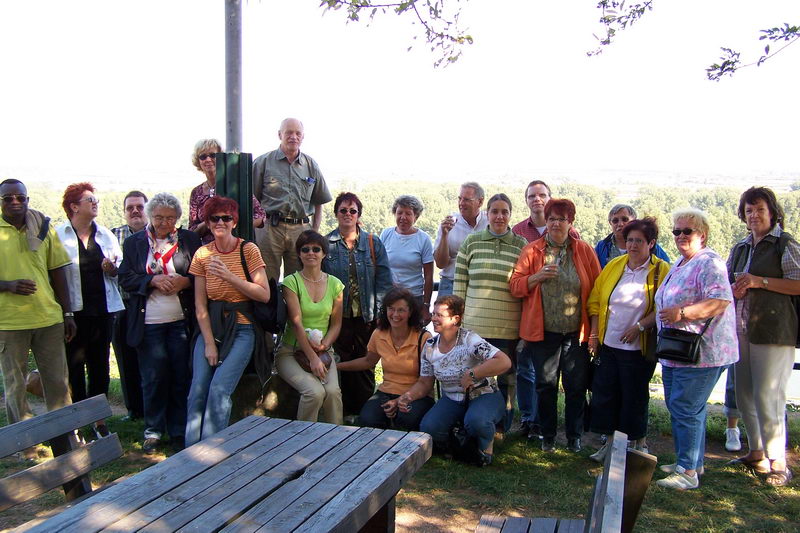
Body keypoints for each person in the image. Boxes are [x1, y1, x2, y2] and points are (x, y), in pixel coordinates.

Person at [654, 208, 737, 490]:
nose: (680, 236)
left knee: (686, 407)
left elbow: (720, 301)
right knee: (685, 407)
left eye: (686, 231)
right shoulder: (681, 262)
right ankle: (691, 461)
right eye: (676, 231)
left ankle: (687, 471)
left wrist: (683, 313)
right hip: (677, 351)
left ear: (702, 234)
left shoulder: (709, 263)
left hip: (702, 352)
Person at [510, 198, 601, 453]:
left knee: (575, 387)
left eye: (561, 219)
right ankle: (547, 436)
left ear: (570, 222)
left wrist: (593, 331)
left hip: (576, 332)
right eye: (551, 219)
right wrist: (536, 277)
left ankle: (574, 436)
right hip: (544, 332)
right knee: (545, 385)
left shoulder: (583, 250)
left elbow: (597, 292)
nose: (556, 223)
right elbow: (515, 286)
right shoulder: (532, 251)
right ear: (546, 222)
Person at [726, 187, 800, 487]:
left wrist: (760, 281)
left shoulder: (785, 244)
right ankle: (756, 453)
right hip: (741, 329)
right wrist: (736, 288)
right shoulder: (740, 247)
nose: (754, 215)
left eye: (759, 209)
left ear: (772, 212)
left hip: (773, 330)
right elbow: (729, 281)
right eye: (748, 210)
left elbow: (798, 284)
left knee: (769, 396)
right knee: (744, 394)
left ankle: (778, 462)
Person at [118, 193, 201, 453]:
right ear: (150, 217)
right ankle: (153, 430)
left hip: (180, 320)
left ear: (178, 219)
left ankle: (177, 430)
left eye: (170, 218)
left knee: (179, 376)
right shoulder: (135, 243)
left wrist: (185, 281)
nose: (164, 223)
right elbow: (125, 277)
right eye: (159, 218)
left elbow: (200, 273)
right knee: (153, 378)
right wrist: (151, 281)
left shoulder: (189, 239)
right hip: (149, 321)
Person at [185, 196, 270, 446]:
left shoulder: (248, 250)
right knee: (198, 390)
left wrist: (229, 276)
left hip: (243, 328)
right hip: (212, 327)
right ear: (208, 223)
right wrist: (209, 343)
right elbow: (200, 304)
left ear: (234, 221)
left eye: (226, 217)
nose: (220, 222)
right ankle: (188, 455)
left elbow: (263, 294)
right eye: (215, 218)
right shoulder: (202, 254)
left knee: (219, 389)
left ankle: (210, 452)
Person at [586, 217, 669, 462]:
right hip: (609, 345)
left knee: (634, 397)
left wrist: (640, 326)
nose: (633, 245)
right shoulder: (614, 266)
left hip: (638, 349)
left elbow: (665, 306)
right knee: (608, 395)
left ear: (651, 243)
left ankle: (638, 444)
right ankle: (610, 445)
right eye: (630, 239)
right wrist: (594, 335)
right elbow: (595, 300)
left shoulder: (660, 270)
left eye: (639, 241)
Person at [398, 295, 512, 466]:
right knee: (429, 428)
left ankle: (485, 447)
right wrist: (408, 396)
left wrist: (474, 373)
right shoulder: (429, 346)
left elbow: (504, 361)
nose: (433, 319)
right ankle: (456, 446)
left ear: (455, 319)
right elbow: (424, 382)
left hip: (484, 394)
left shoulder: (470, 340)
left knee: (476, 422)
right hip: (452, 398)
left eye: (439, 315)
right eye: (433, 314)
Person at [0, 179, 73, 428]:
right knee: (15, 386)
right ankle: (25, 444)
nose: (15, 202)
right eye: (8, 198)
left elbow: (58, 271)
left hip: (48, 319)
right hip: (8, 322)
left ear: (28, 199)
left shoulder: (42, 227)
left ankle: (64, 436)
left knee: (57, 383)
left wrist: (68, 313)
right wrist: (7, 286)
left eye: (20, 197)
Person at [454, 193, 527, 432]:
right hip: (475, 328)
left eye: (504, 211)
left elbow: (525, 288)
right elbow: (460, 283)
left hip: (508, 327)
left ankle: (501, 428)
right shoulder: (472, 242)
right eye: (494, 211)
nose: (499, 216)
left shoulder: (521, 245)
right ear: (487, 213)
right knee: (472, 377)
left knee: (507, 379)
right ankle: (468, 424)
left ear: (510, 215)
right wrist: (458, 322)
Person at [57, 182, 124, 438]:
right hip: (73, 313)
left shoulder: (105, 235)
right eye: (89, 200)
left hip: (103, 312)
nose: (95, 203)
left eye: (96, 199)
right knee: (73, 367)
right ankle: (76, 422)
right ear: (74, 206)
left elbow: (119, 271)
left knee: (100, 368)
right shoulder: (59, 235)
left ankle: (98, 421)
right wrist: (65, 313)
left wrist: (111, 270)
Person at [323, 192, 393, 418]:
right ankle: (341, 409)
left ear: (359, 215)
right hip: (338, 315)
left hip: (367, 314)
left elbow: (384, 280)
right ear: (336, 214)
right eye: (343, 210)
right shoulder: (326, 244)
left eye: (352, 210)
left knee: (365, 361)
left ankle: (364, 411)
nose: (348, 214)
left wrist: (382, 314)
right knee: (340, 358)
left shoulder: (373, 243)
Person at [338, 287, 433, 430]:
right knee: (367, 421)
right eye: (391, 309)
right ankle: (388, 421)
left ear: (410, 312)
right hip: (386, 391)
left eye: (401, 310)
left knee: (406, 420)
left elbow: (427, 383)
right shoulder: (379, 334)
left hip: (416, 393)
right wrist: (336, 366)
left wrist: (399, 400)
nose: (395, 314)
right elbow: (368, 361)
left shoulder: (423, 338)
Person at [252, 118, 332, 282]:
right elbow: (252, 199)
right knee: (266, 281)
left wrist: (314, 232)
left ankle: (294, 309)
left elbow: (319, 201)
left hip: (300, 230)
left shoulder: (311, 165)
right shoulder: (263, 162)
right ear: (280, 134)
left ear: (303, 137)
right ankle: (269, 308)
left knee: (300, 281)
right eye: (289, 132)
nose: (293, 137)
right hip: (269, 229)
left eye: (298, 133)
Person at [277, 230, 344, 423]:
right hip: (291, 351)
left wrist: (324, 346)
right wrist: (312, 357)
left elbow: (336, 324)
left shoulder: (335, 285)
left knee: (332, 392)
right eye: (305, 249)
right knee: (314, 393)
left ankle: (336, 439)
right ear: (298, 254)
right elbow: (296, 323)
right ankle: (303, 441)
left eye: (316, 249)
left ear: (324, 253)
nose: (311, 253)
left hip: (323, 351)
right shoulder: (291, 282)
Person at [111, 190, 148, 421]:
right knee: (125, 359)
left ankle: (150, 406)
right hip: (121, 304)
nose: (135, 211)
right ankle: (133, 409)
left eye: (139, 207)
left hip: (146, 304)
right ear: (124, 212)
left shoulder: (155, 235)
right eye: (130, 208)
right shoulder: (113, 235)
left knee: (148, 357)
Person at [188, 139, 265, 245]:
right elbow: (192, 230)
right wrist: (210, 222)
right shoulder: (196, 193)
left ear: (220, 157)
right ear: (198, 161)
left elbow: (260, 216)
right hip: (207, 251)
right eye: (203, 156)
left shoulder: (235, 187)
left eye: (212, 155)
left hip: (236, 247)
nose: (208, 159)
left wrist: (233, 225)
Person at [379, 195, 434, 323]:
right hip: (390, 297)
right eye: (399, 213)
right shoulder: (386, 234)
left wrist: (426, 306)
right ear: (395, 214)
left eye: (408, 214)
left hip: (414, 298)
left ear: (416, 217)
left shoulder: (423, 239)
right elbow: (379, 266)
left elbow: (429, 276)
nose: (403, 217)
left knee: (414, 338)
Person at [433, 182, 488, 296]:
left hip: (480, 286)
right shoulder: (449, 224)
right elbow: (440, 264)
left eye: (467, 200)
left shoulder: (489, 222)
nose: (461, 203)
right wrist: (444, 235)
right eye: (460, 199)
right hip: (450, 284)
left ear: (480, 201)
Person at [595, 204, 670, 268]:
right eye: (615, 221)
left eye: (625, 219)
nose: (620, 224)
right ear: (610, 223)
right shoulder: (601, 246)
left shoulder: (650, 247)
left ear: (634, 220)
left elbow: (665, 270)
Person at [512, 180, 580, 243]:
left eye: (542, 195)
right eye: (532, 196)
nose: (537, 199)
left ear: (550, 199)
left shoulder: (569, 232)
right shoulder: (517, 231)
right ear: (526, 201)